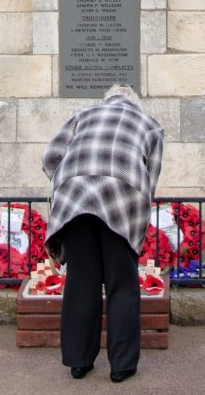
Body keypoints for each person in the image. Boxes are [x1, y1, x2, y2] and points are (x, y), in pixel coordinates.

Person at [42, 85, 164, 384]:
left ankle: (79, 362)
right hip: (122, 197)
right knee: (121, 282)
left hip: (76, 195)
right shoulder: (150, 125)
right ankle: (121, 366)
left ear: (106, 100)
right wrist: (138, 206)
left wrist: (68, 180)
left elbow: (50, 156)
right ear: (134, 103)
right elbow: (152, 175)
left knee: (82, 280)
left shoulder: (83, 114)